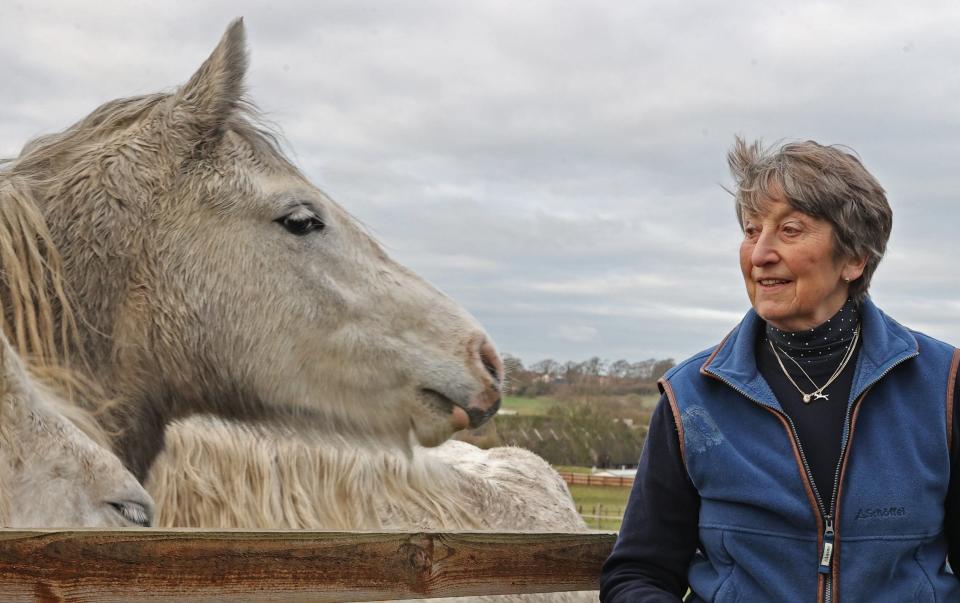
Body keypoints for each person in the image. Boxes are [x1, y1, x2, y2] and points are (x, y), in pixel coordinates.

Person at [600, 138, 960, 602]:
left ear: (854, 258)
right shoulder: (690, 397)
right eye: (751, 231)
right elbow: (638, 573)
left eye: (790, 230)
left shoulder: (943, 384)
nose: (759, 254)